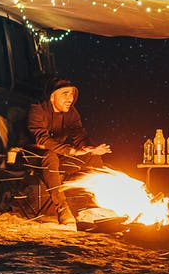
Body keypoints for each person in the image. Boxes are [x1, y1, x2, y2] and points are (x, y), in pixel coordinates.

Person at [27, 79, 112, 225]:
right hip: (32, 154)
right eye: (65, 94)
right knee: (50, 157)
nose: (70, 98)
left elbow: (79, 134)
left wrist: (90, 148)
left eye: (72, 94)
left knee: (93, 158)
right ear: (52, 96)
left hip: (60, 152)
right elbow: (42, 139)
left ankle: (94, 204)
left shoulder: (71, 112)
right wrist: (70, 151)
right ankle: (62, 208)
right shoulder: (37, 109)